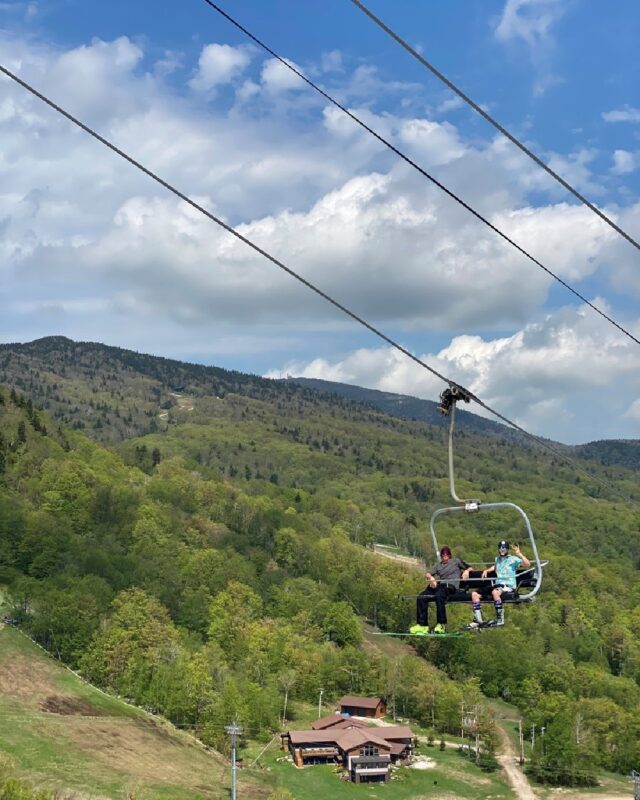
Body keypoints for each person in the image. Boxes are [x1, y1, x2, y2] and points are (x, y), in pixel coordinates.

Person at [468, 540, 530, 628]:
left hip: (508, 585)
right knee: (475, 594)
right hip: (498, 585)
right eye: (500, 548)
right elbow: (495, 567)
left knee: (495, 592)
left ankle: (500, 619)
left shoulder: (513, 559)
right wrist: (487, 570)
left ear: (507, 549)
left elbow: (527, 564)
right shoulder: (497, 559)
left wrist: (519, 554)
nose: (502, 550)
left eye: (504, 548)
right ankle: (479, 620)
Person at [410, 546, 471, 634]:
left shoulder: (456, 562)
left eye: (446, 555)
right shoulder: (438, 565)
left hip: (450, 586)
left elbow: (470, 567)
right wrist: (431, 578)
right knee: (422, 596)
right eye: (443, 555)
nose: (444, 557)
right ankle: (422, 625)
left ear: (449, 555)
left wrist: (466, 571)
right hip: (440, 586)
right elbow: (428, 573)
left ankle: (441, 624)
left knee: (439, 595)